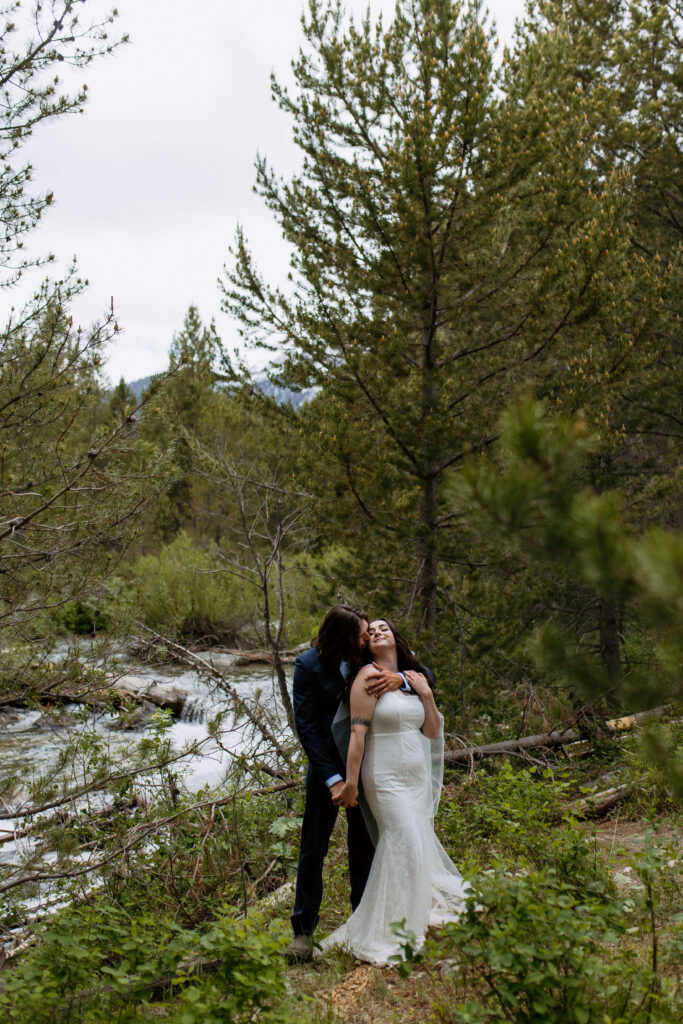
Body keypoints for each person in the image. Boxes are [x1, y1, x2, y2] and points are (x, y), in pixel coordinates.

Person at [321, 618, 469, 965]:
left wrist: (427, 696)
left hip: (415, 774)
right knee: (401, 840)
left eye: (383, 628)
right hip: (383, 774)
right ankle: (393, 929)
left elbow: (431, 731)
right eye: (370, 632)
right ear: (366, 644)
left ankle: (413, 915)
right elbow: (357, 736)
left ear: (395, 636)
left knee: (417, 842)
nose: (376, 632)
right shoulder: (366, 677)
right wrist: (352, 782)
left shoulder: (414, 678)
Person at [285, 604, 408, 962]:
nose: (367, 638)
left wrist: (400, 679)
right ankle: (303, 933)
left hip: (369, 767)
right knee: (313, 849)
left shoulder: (362, 657)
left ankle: (363, 922)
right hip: (326, 773)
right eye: (360, 633)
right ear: (342, 636)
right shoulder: (307, 665)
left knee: (364, 846)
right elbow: (307, 727)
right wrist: (335, 780)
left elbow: (419, 669)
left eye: (369, 632)